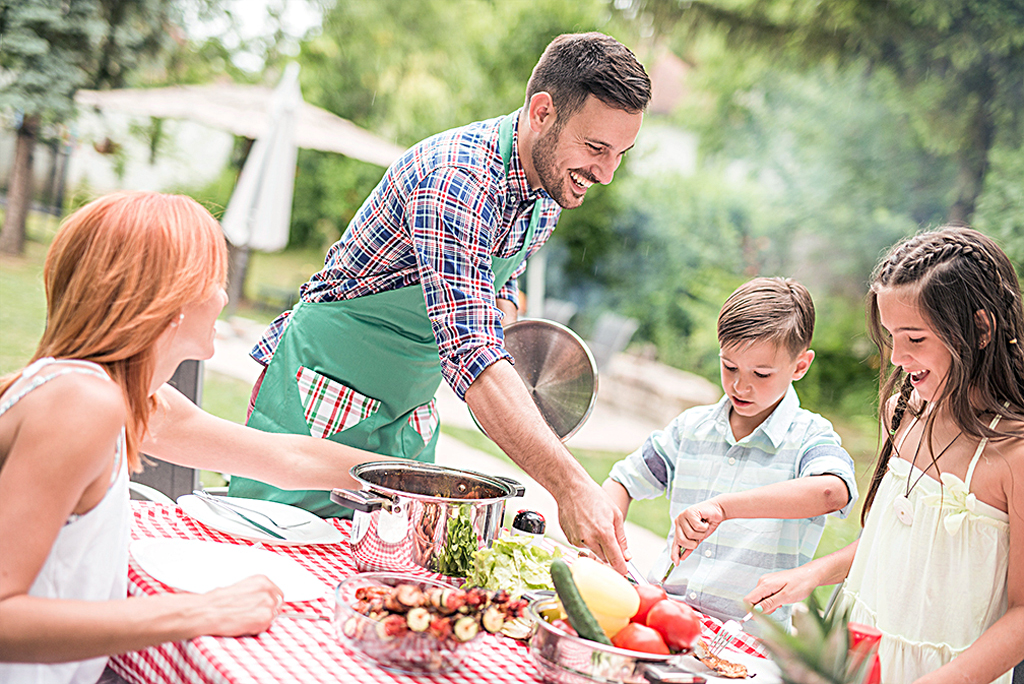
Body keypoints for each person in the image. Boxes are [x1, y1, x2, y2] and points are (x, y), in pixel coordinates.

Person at [227, 32, 652, 571]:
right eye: (595, 148)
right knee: (263, 566)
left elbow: (494, 293)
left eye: (620, 154)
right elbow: (471, 352)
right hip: (322, 398)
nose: (606, 173)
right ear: (542, 112)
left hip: (406, 415)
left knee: (386, 575)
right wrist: (570, 485)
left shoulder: (546, 193)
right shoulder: (456, 178)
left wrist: (519, 346)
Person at [0, 191, 399, 684]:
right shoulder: (83, 404)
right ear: (169, 302)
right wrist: (203, 612)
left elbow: (289, 456)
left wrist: (428, 486)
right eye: (213, 280)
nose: (223, 297)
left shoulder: (125, 395)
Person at [745, 228, 1024, 683]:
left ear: (980, 329)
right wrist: (813, 573)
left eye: (914, 339)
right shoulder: (903, 412)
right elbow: (895, 543)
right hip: (861, 657)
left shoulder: (1015, 453)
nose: (896, 357)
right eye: (892, 336)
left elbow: (1022, 614)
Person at [602, 277, 858, 630]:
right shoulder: (690, 428)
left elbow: (832, 491)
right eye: (730, 367)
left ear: (800, 366)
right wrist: (606, 542)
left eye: (761, 373)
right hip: (666, 617)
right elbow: (624, 481)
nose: (741, 385)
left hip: (749, 637)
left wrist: (724, 508)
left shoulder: (809, 437)